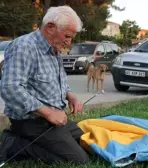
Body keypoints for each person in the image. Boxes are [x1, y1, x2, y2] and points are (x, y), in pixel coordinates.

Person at [0, 6, 89, 164]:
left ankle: (40, 140)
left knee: (85, 141)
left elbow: (58, 82)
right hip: (31, 122)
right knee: (79, 160)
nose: (69, 42)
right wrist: (48, 113)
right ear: (50, 27)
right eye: (67, 36)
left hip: (53, 119)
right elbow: (10, 88)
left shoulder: (54, 49)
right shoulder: (24, 47)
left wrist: (70, 96)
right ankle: (13, 144)